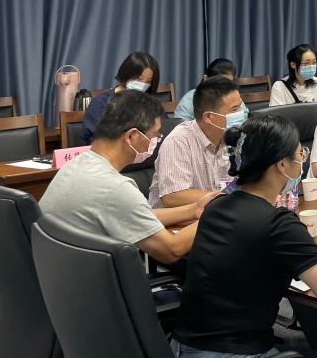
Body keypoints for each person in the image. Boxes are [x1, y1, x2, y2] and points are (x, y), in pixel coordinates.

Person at [171, 115, 317, 358]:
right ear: (282, 165)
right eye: (300, 154)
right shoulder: (278, 223)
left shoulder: (216, 206)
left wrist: (300, 253)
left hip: (182, 353)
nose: (302, 160)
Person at [41, 90, 213, 265]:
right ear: (132, 136)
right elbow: (171, 250)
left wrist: (194, 209)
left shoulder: (76, 165)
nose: (156, 141)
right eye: (155, 135)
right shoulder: (115, 188)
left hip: (59, 275)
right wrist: (214, 215)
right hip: (97, 279)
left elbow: (135, 215)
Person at [148, 78, 241, 207]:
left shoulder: (234, 137)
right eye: (234, 110)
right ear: (208, 117)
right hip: (179, 218)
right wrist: (228, 197)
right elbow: (173, 197)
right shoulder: (179, 141)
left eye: (240, 107)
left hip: (218, 212)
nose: (241, 114)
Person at [82, 51, 160, 143]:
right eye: (139, 79)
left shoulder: (149, 103)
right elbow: (94, 139)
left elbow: (164, 129)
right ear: (127, 74)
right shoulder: (101, 102)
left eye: (148, 81)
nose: (143, 84)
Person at [270, 44, 317, 109]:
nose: (311, 67)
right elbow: (275, 114)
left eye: (314, 62)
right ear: (293, 64)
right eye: (306, 63)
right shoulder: (279, 87)